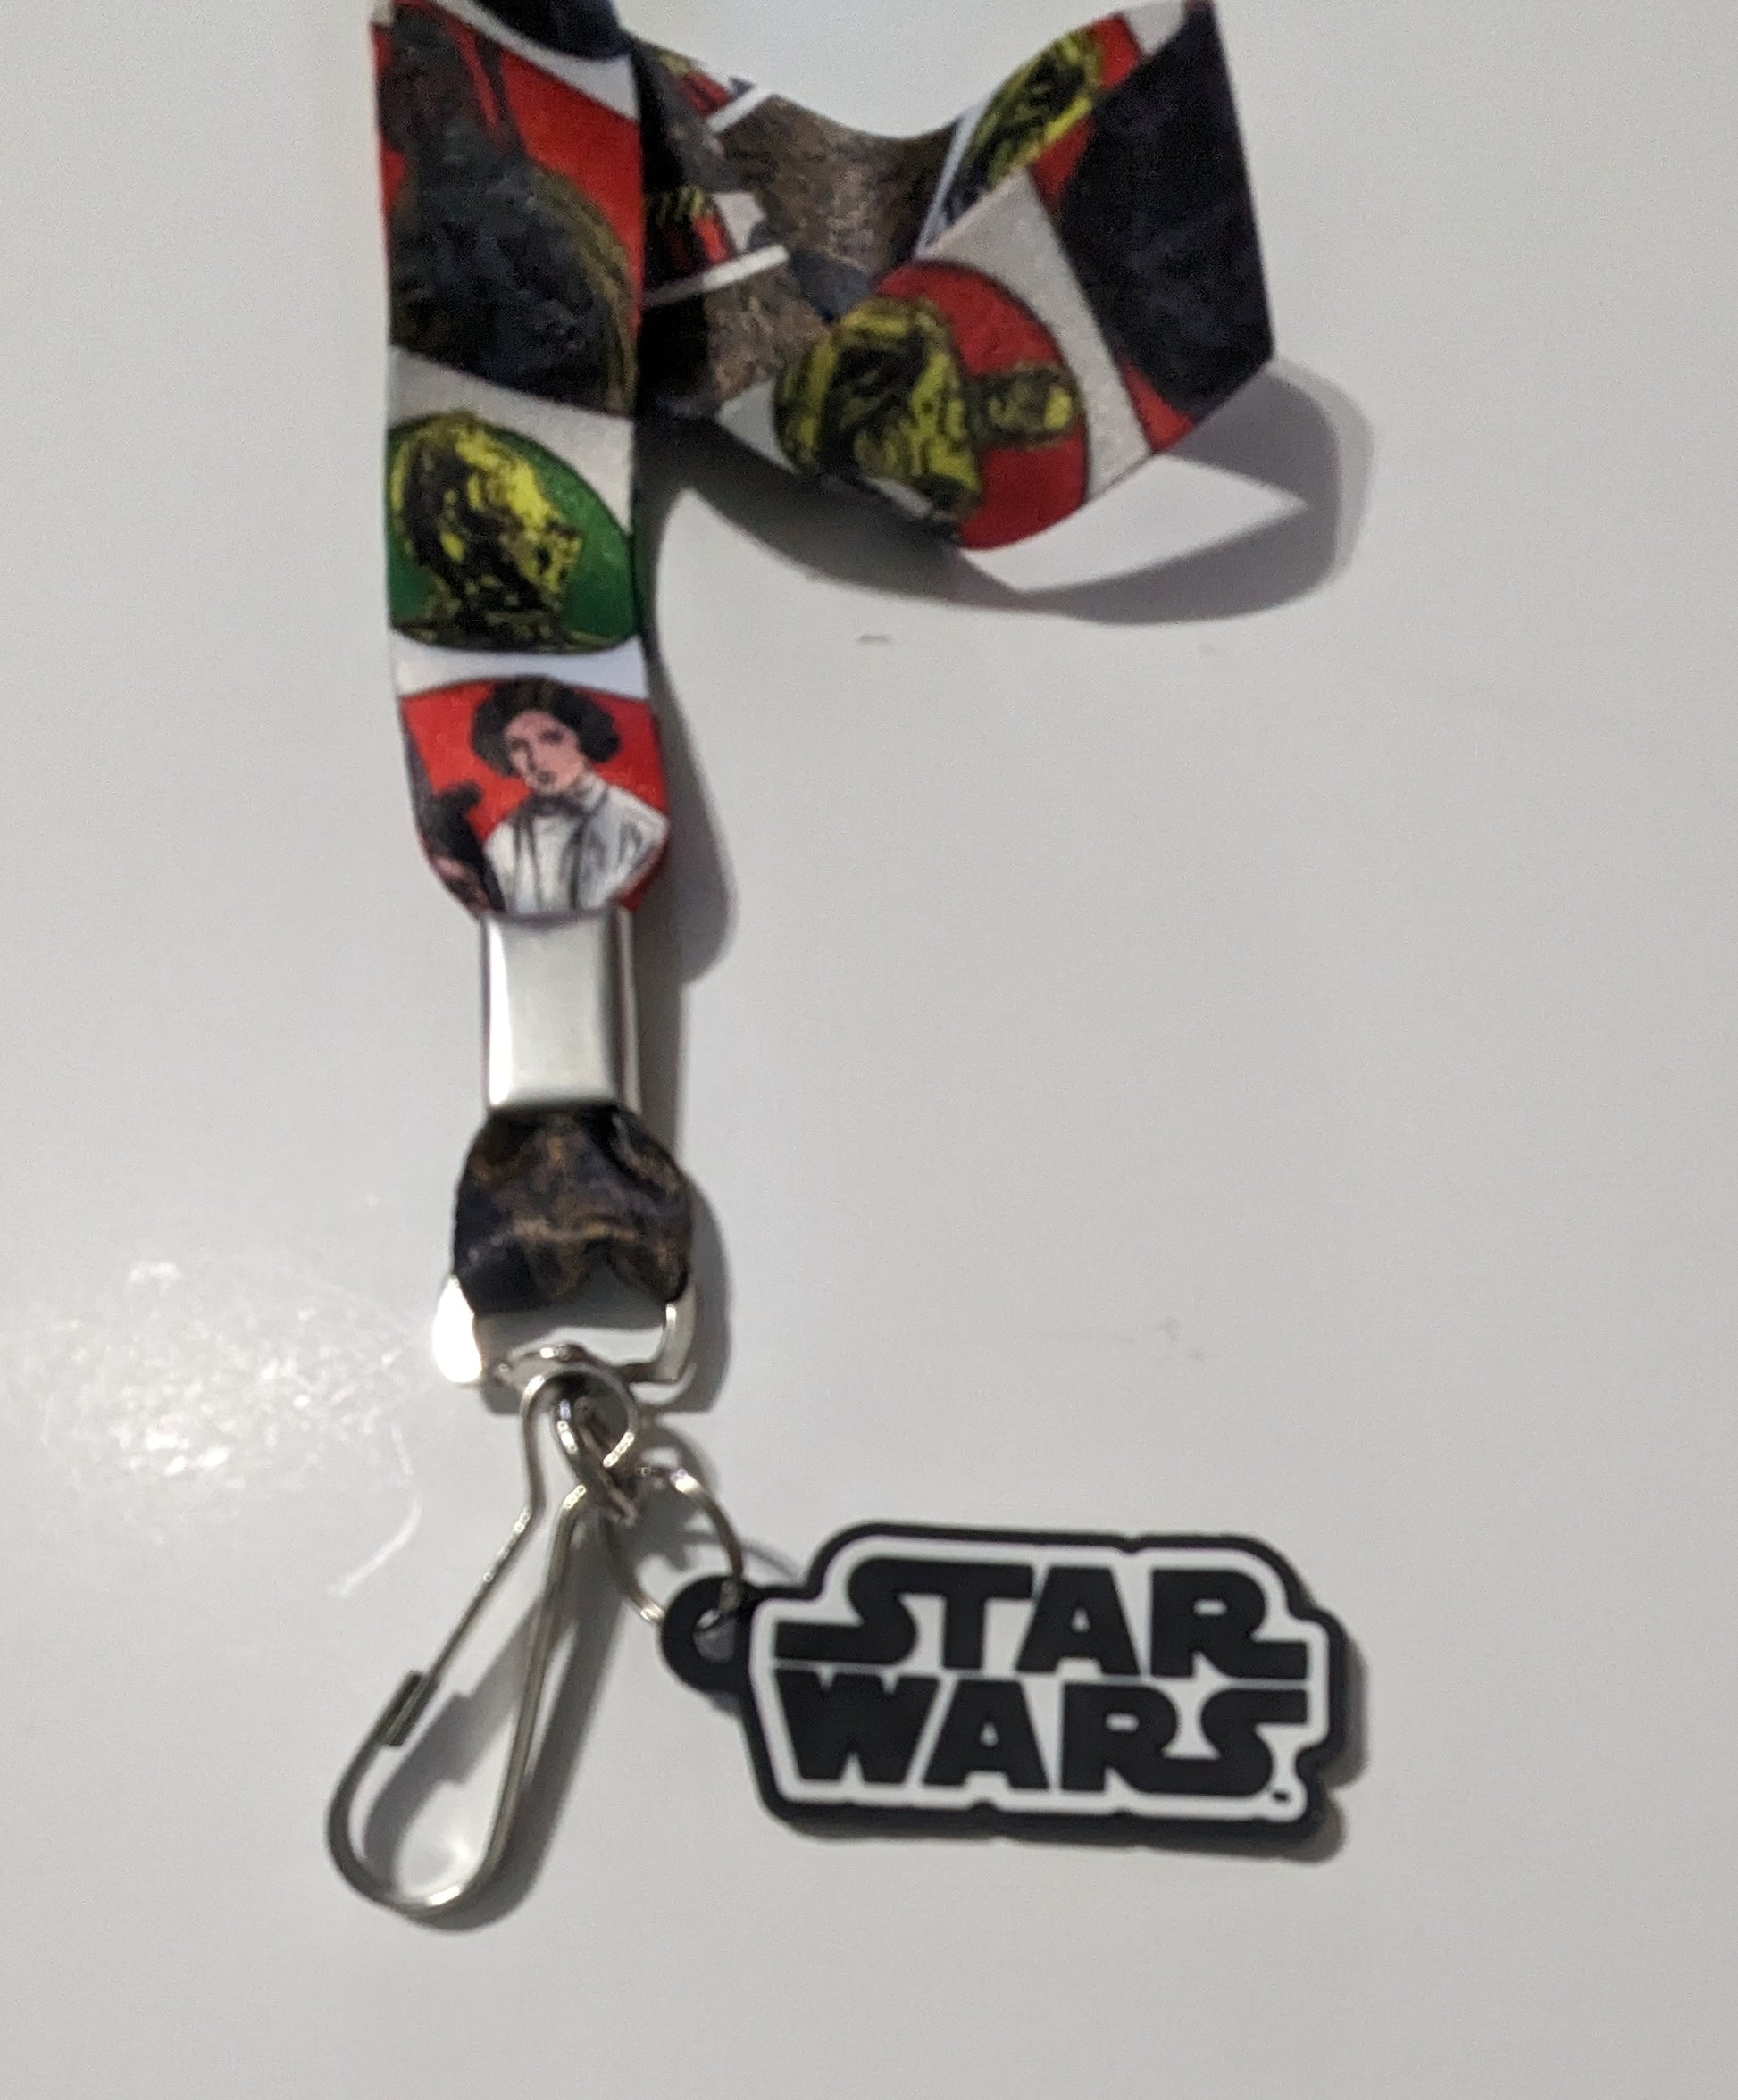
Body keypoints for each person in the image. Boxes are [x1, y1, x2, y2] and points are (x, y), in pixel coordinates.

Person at [471, 678, 667, 916]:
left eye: (551, 738)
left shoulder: (641, 830)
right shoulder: (504, 841)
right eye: (518, 746)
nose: (536, 760)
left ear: (582, 738)